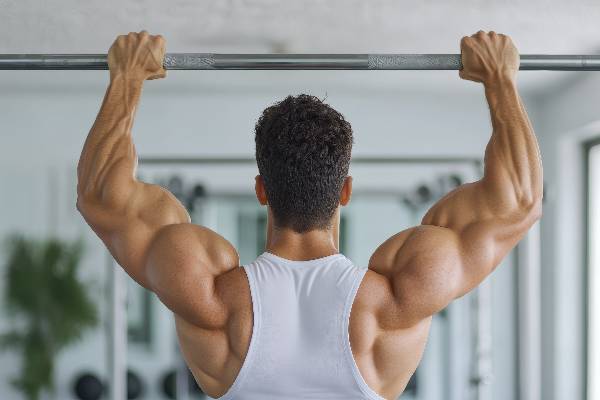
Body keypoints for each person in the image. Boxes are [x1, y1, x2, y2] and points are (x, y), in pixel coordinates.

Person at [76, 30, 542, 400]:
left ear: (261, 189)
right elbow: (519, 199)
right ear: (345, 192)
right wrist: (500, 79)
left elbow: (100, 195)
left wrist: (126, 79)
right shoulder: (393, 300)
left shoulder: (211, 295)